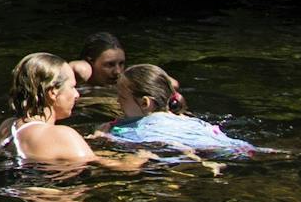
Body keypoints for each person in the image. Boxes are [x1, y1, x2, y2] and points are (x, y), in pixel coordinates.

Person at [0, 52, 148, 168]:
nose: (77, 94)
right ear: (53, 92)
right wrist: (140, 157)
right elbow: (122, 168)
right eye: (73, 87)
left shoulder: (7, 127)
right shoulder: (63, 135)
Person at [103, 63, 255, 155]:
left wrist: (102, 134)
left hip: (189, 151)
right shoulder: (187, 120)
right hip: (233, 145)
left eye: (122, 98)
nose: (118, 101)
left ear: (145, 103)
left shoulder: (131, 130)